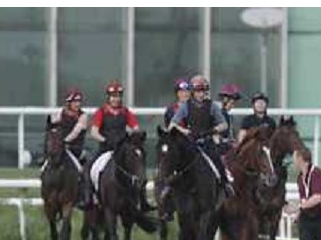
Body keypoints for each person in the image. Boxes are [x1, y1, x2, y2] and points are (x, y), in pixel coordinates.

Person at [81, 80, 152, 211]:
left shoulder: (125, 112)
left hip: (122, 150)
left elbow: (135, 127)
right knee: (87, 168)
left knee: (139, 170)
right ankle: (88, 199)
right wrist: (104, 139)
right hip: (105, 148)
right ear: (109, 97)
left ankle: (143, 201)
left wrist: (134, 136)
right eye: (113, 96)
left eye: (118, 96)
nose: (116, 99)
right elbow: (94, 131)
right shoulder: (101, 112)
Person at [168, 74, 233, 196]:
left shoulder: (212, 106)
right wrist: (185, 131)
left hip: (207, 142)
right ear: (193, 92)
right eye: (198, 91)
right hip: (191, 144)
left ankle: (225, 185)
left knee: (217, 161)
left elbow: (224, 124)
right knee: (177, 162)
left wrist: (212, 130)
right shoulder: (185, 106)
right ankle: (169, 188)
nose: (201, 94)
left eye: (203, 91)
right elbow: (172, 125)